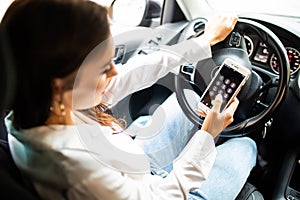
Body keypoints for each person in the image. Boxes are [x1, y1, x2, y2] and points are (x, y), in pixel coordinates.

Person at [1, 0, 257, 199]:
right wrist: (208, 134)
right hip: (161, 194)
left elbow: (131, 74)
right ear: (60, 84)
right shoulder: (73, 169)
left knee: (189, 100)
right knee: (245, 147)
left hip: (135, 167)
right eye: (103, 68)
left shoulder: (37, 101)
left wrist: (204, 41)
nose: (114, 71)